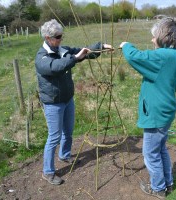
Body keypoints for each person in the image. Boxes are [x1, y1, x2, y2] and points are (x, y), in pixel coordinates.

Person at [35, 19, 112, 185]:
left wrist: (101, 46)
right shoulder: (42, 57)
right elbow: (55, 67)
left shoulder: (63, 50)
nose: (61, 39)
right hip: (53, 103)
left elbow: (83, 51)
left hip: (67, 99)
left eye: (61, 36)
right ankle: (48, 172)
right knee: (54, 136)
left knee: (68, 131)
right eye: (57, 37)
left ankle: (64, 155)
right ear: (48, 38)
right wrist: (74, 58)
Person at [120, 17, 176, 199]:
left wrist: (126, 45)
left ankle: (158, 188)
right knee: (161, 149)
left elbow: (134, 56)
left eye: (154, 36)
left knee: (150, 153)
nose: (152, 40)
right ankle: (167, 184)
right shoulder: (174, 55)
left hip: (156, 114)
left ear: (162, 37)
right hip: (166, 111)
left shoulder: (162, 56)